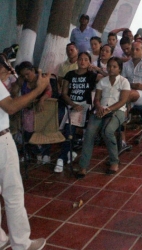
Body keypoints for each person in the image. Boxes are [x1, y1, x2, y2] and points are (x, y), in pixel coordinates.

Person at [0, 70, 49, 250]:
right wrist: (39, 89)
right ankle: (21, 244)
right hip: (1, 142)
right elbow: (11, 107)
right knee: (13, 194)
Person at [76, 57, 131, 178]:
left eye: (114, 66)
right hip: (101, 110)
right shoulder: (103, 81)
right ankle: (83, 166)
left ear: (119, 69)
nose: (111, 69)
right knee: (89, 132)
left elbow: (122, 101)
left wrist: (108, 110)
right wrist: (99, 107)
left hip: (118, 111)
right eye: (110, 66)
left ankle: (114, 161)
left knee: (108, 131)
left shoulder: (124, 81)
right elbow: (97, 99)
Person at [55, 52, 101, 172]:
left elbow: (109, 76)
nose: (83, 61)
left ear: (89, 62)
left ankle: (61, 158)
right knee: (63, 124)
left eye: (86, 59)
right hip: (70, 104)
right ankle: (68, 153)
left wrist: (96, 69)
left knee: (69, 127)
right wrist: (73, 104)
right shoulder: (70, 74)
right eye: (81, 59)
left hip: (84, 106)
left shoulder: (91, 75)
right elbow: (64, 93)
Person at [12, 61, 52, 164]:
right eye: (23, 75)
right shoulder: (22, 81)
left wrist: (42, 100)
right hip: (28, 110)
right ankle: (32, 152)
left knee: (43, 130)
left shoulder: (41, 78)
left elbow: (49, 91)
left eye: (27, 74)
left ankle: (45, 153)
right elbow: (14, 93)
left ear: (33, 70)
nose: (26, 77)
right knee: (26, 130)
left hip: (41, 109)